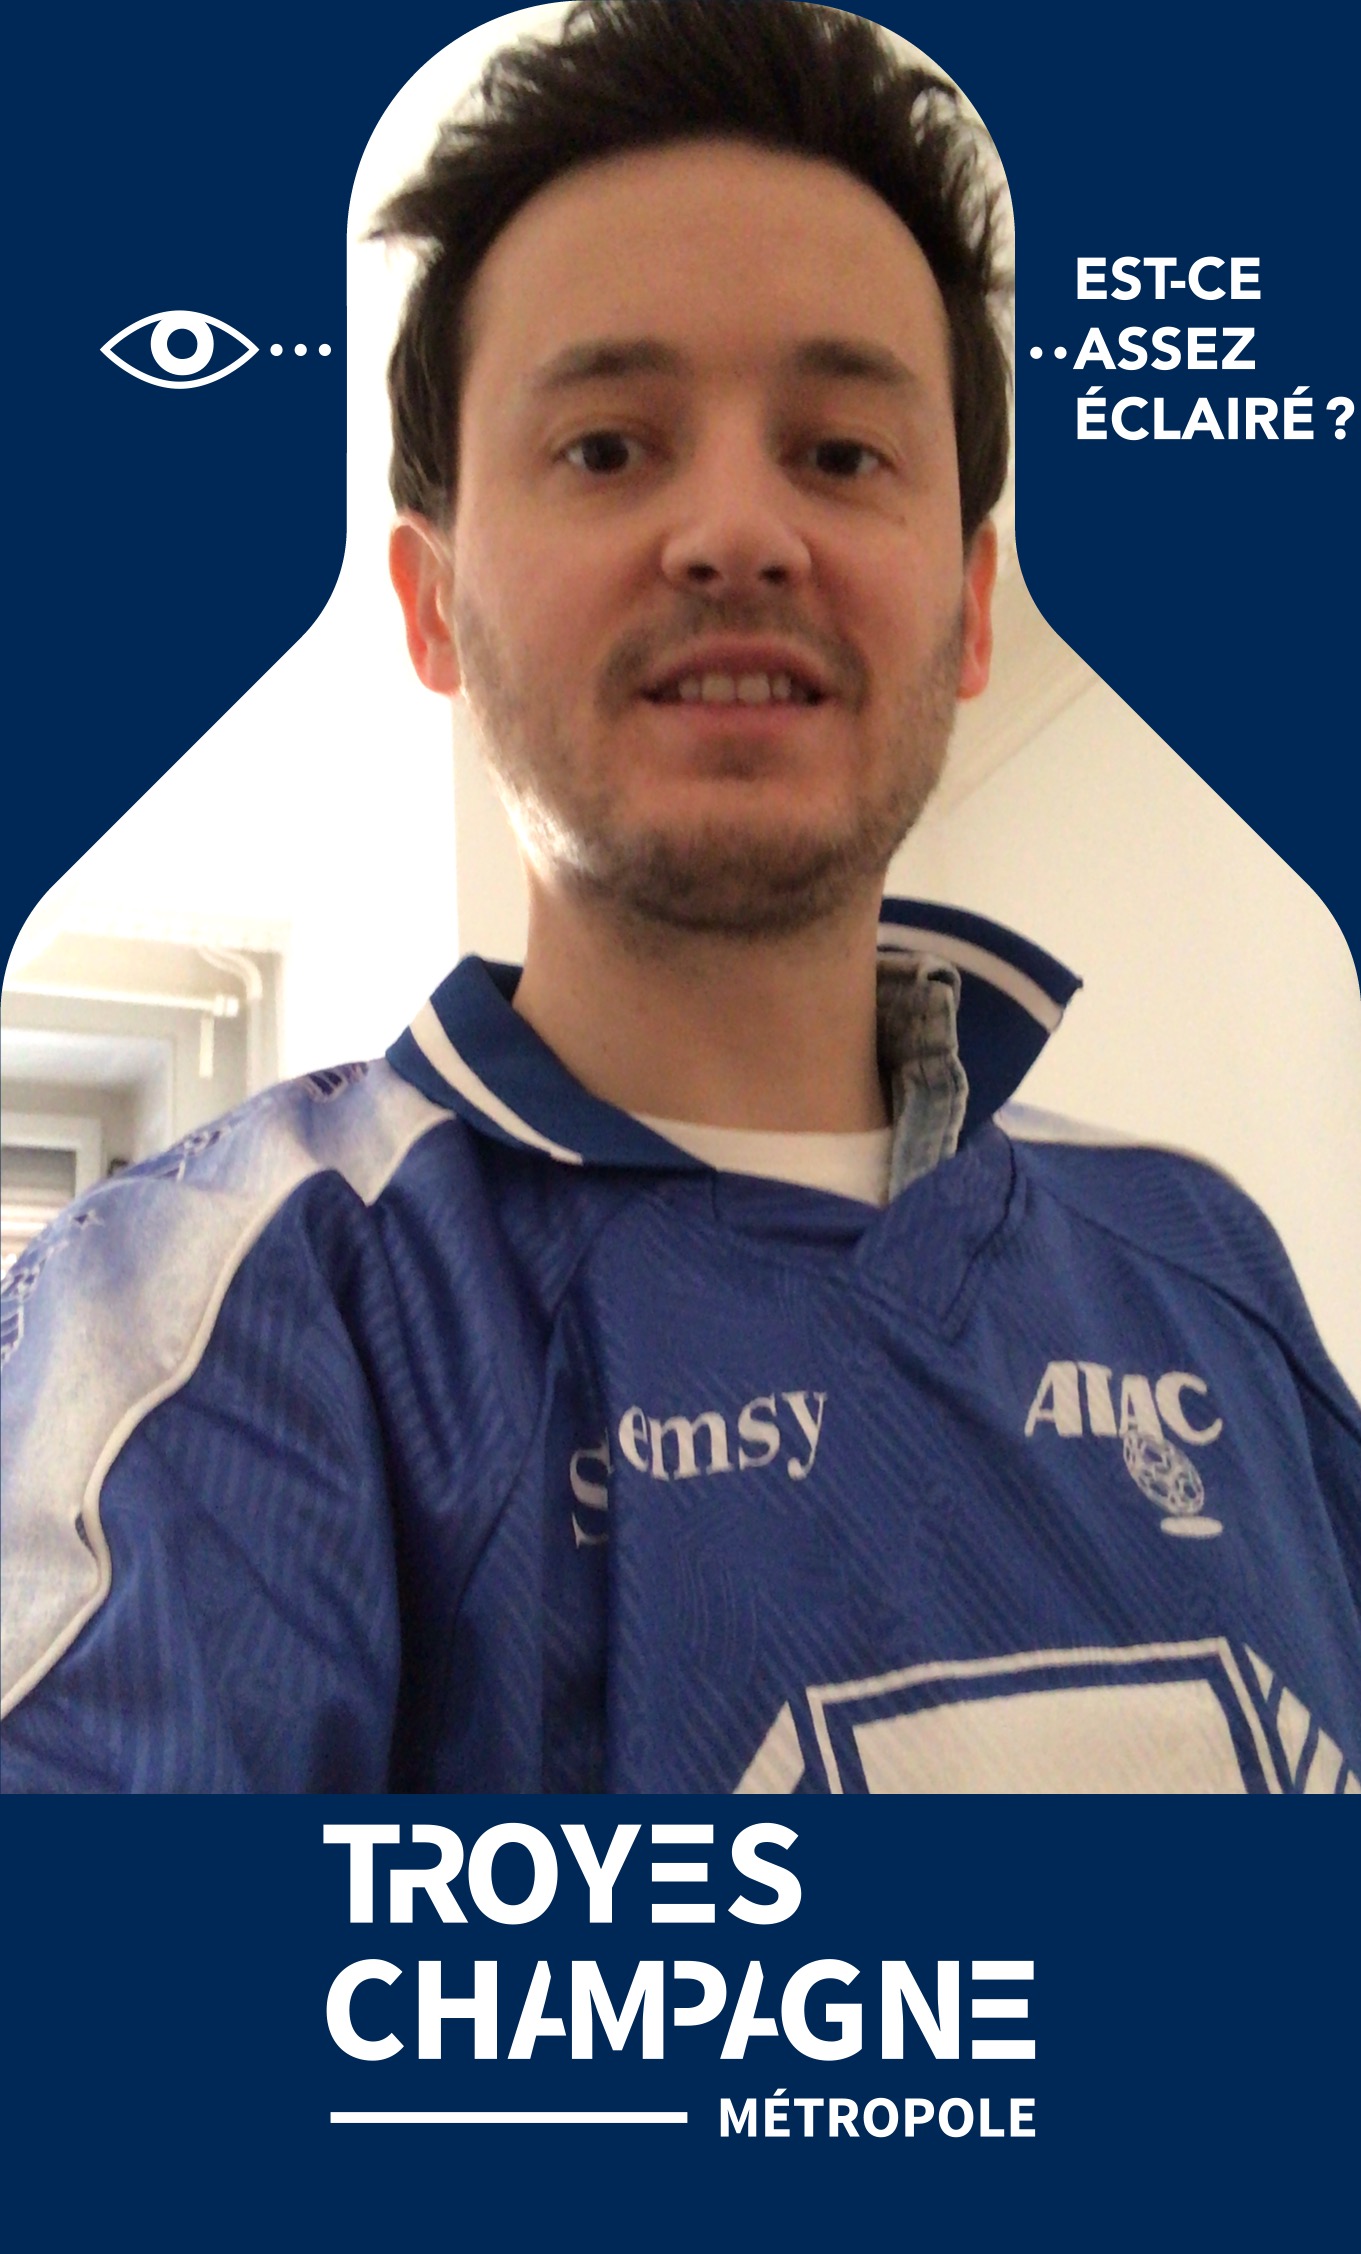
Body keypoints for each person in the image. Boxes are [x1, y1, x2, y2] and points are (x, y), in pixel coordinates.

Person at [2, 0, 1358, 1795]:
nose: (734, 532)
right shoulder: (232, 1312)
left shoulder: (1205, 1256)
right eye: (606, 448)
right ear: (431, 606)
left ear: (966, 609)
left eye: (839, 452)